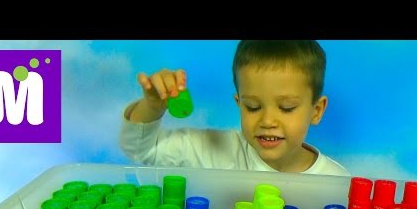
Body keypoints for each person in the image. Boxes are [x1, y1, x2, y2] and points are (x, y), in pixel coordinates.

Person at [119, 40, 350, 176]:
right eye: (252, 107)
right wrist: (152, 106)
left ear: (316, 111)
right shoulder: (219, 152)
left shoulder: (337, 182)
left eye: (286, 108)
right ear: (239, 103)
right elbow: (143, 150)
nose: (268, 121)